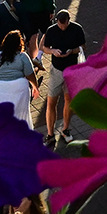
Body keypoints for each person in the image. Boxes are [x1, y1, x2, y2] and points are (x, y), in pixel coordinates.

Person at [40, 9, 85, 143]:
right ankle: (50, 134)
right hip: (57, 70)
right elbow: (45, 48)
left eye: (64, 25)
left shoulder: (77, 29)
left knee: (68, 100)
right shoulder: (51, 30)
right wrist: (53, 51)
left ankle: (65, 129)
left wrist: (72, 51)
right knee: (51, 102)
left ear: (68, 21)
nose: (62, 27)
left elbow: (82, 47)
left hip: (72, 70)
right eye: (60, 25)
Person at [0, 30, 39, 124]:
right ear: (19, 44)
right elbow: (30, 75)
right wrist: (35, 87)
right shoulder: (23, 57)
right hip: (19, 88)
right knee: (20, 114)